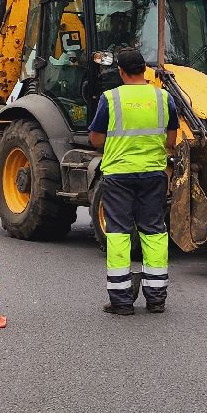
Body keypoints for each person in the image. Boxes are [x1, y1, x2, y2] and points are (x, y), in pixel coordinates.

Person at [88, 48, 174, 316]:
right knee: (154, 231)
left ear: (122, 72)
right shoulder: (163, 97)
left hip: (118, 176)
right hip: (153, 174)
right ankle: (156, 299)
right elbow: (171, 141)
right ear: (144, 70)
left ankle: (122, 301)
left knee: (118, 232)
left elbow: (96, 139)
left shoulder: (111, 98)